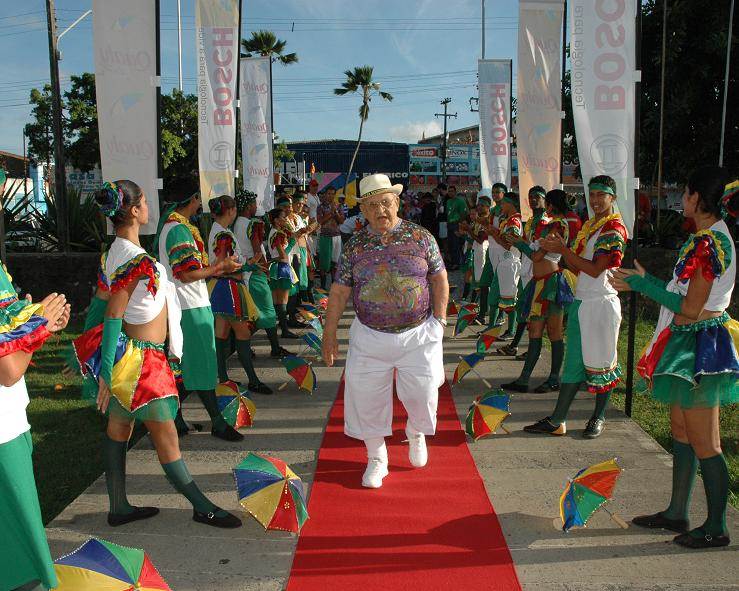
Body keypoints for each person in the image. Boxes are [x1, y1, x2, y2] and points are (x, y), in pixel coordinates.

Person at [74, 181, 241, 529]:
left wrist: (92, 359)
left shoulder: (114, 253)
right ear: (134, 211)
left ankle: (119, 506)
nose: (150, 207)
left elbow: (100, 308)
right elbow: (112, 314)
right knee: (166, 435)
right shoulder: (135, 261)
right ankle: (201, 506)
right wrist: (102, 371)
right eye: (146, 202)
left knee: (119, 427)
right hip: (142, 365)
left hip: (131, 361)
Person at [614, 169, 738, 549]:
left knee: (705, 442)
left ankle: (717, 527)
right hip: (690, 342)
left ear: (698, 198)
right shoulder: (707, 238)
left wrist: (641, 284)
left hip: (701, 349)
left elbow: (690, 307)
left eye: (685, 192)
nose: (681, 197)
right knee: (682, 432)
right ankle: (677, 512)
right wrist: (645, 278)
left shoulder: (710, 245)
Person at [322, 174, 449, 489]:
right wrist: (329, 333)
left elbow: (439, 279)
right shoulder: (355, 246)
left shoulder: (421, 238)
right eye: (372, 205)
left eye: (386, 202)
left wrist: (441, 320)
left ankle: (416, 431)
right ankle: (377, 459)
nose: (381, 210)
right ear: (363, 211)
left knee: (424, 391)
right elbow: (338, 292)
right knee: (366, 399)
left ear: (397, 203)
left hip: (418, 333)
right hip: (369, 336)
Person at [524, 175, 627, 439]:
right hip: (583, 301)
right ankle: (558, 419)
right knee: (573, 364)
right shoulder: (592, 227)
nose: (594, 200)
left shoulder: (614, 230)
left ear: (612, 198)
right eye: (591, 195)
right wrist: (557, 250)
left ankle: (599, 416)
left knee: (603, 363)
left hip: (601, 303)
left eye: (600, 195)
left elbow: (594, 269)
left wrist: (562, 250)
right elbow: (575, 265)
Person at [153, 185, 244, 441]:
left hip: (187, 304)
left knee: (187, 368)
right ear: (193, 199)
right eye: (199, 198)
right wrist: (219, 268)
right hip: (189, 306)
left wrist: (219, 268)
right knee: (201, 367)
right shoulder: (178, 230)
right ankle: (216, 422)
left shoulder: (173, 227)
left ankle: (176, 420)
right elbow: (186, 273)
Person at [0, 268, 69, 591]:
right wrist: (37, 325)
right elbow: (9, 369)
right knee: (23, 559)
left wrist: (30, 321)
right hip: (4, 431)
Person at [502, 189, 573, 393]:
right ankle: (524, 379)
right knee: (535, 331)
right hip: (539, 282)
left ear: (549, 205)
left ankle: (553, 378)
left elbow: (536, 257)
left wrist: (519, 244)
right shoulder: (549, 224)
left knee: (554, 332)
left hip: (551, 284)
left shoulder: (559, 225)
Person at [207, 195, 272, 394]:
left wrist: (248, 263)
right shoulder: (222, 235)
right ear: (231, 210)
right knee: (242, 333)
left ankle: (223, 378)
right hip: (229, 287)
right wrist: (249, 263)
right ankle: (251, 380)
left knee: (222, 333)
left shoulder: (219, 231)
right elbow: (223, 265)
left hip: (223, 286)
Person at [233, 190, 292, 358]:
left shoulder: (237, 223)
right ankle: (274, 348)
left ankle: (250, 347)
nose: (255, 207)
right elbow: (257, 250)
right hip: (256, 272)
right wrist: (264, 267)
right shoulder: (252, 224)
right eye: (253, 204)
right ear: (248, 206)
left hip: (247, 273)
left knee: (255, 312)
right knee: (267, 311)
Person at [496, 186, 549, 356]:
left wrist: (519, 243)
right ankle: (518, 345)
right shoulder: (531, 220)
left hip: (538, 270)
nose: (533, 200)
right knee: (526, 310)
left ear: (545, 200)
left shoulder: (547, 223)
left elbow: (536, 251)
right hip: (526, 269)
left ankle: (526, 348)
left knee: (531, 312)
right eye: (531, 197)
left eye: (537, 197)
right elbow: (525, 242)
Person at [267, 207, 300, 338]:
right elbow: (283, 256)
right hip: (282, 269)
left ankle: (278, 330)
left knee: (277, 301)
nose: (285, 219)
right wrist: (292, 243)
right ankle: (285, 331)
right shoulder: (277, 234)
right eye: (282, 217)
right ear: (276, 220)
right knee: (282, 302)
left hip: (276, 269)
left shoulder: (273, 232)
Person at [317, 186, 345, 289]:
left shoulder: (339, 206)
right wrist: (331, 213)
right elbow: (320, 221)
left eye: (333, 194)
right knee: (324, 264)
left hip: (336, 236)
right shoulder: (320, 207)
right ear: (325, 195)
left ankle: (334, 287)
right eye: (329, 194)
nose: (330, 196)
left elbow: (341, 221)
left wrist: (336, 212)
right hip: (325, 237)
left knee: (336, 263)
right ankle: (323, 287)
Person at [445, 185, 468, 269]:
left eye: (452, 191)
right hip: (450, 224)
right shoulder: (448, 201)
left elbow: (464, 214)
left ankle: (457, 263)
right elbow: (448, 213)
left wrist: (459, 225)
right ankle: (453, 261)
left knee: (456, 244)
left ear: (455, 192)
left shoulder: (460, 201)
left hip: (457, 224)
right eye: (449, 191)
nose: (450, 192)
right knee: (450, 244)